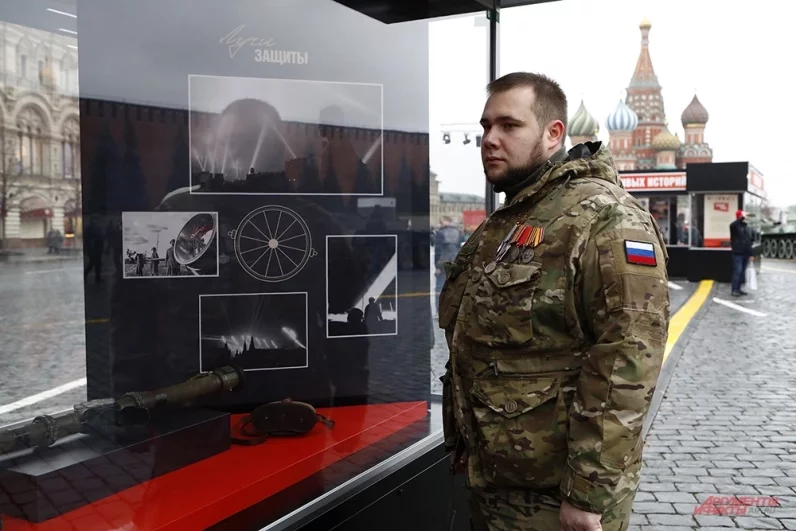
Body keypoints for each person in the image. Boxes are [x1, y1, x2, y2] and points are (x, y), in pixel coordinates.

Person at [438, 72, 670, 531]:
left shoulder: (605, 218)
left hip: (557, 500)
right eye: (486, 127)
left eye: (509, 126)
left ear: (553, 134)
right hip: (500, 482)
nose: (490, 140)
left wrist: (586, 495)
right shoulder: (509, 221)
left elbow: (626, 362)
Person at [730, 209, 753, 296]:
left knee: (742, 272)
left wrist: (750, 254)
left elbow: (748, 241)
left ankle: (739, 289)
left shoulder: (745, 227)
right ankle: (734, 289)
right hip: (737, 253)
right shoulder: (735, 226)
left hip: (745, 253)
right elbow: (733, 224)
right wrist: (742, 216)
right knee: (737, 271)